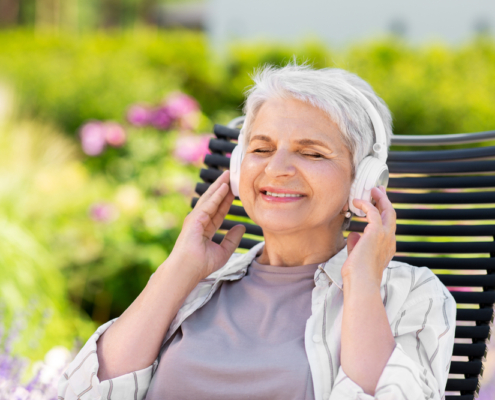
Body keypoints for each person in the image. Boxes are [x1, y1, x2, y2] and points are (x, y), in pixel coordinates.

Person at [58, 64, 456, 400]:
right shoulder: (197, 281)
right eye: (262, 149)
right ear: (236, 168)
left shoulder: (407, 294)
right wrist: (178, 267)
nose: (276, 168)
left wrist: (362, 284)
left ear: (363, 180)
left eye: (312, 152)